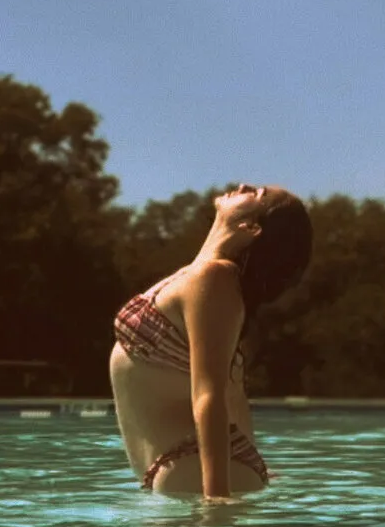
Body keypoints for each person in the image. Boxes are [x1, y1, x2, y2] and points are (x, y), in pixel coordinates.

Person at [109, 184, 313, 502]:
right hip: (186, 465)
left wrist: (217, 499)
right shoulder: (200, 274)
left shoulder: (215, 279)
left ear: (251, 227)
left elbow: (210, 394)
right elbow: (234, 388)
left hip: (193, 468)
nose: (244, 186)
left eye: (258, 193)